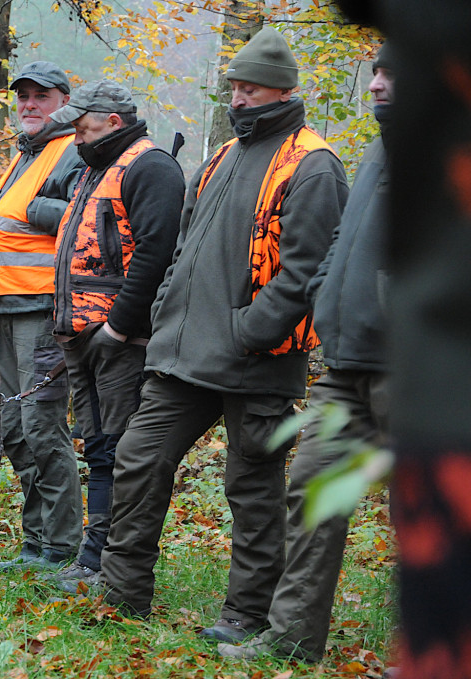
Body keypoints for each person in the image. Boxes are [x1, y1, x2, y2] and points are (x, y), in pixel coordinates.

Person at [100, 27, 349, 642]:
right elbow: (184, 247)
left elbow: (308, 268)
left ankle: (245, 614)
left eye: (251, 88)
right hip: (182, 354)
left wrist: (250, 331)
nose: (238, 98)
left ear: (283, 90)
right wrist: (164, 310)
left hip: (255, 359)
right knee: (137, 458)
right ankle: (121, 592)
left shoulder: (313, 164)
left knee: (252, 489)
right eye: (234, 87)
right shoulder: (223, 154)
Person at [217, 43, 394, 664]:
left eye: (392, 72)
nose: (376, 84)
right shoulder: (381, 147)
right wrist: (326, 298)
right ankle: (291, 641)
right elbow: (344, 238)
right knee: (313, 495)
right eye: (374, 70)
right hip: (344, 366)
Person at [42, 80, 185, 590]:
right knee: (98, 445)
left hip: (118, 338)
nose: (77, 137)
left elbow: (156, 253)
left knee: (122, 448)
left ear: (115, 123)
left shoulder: (151, 167)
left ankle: (109, 563)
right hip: (80, 334)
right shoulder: (93, 167)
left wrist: (120, 327)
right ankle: (92, 557)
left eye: (85, 127)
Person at [0, 61, 86, 571]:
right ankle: (35, 542)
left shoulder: (72, 151)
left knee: (42, 427)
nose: (28, 104)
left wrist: (41, 211)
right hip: (5, 305)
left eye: (41, 95)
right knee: (15, 428)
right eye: (22, 96)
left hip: (41, 309)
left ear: (64, 100)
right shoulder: (27, 155)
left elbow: (87, 219)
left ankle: (60, 546)